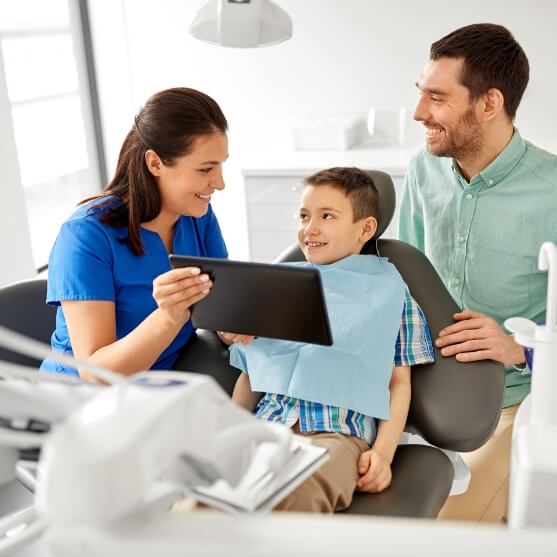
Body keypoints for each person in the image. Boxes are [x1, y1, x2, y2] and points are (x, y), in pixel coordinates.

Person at [399, 23, 557, 522]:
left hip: (512, 405)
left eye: (437, 98)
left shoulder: (553, 191)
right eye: (420, 94)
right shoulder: (422, 170)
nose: (420, 112)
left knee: (440, 528)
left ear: (488, 104)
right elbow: (400, 275)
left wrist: (518, 347)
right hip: (421, 389)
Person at [230, 167, 435, 512]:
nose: (310, 228)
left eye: (327, 216)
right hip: (268, 424)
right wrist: (229, 428)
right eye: (305, 216)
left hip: (337, 433)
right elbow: (254, 372)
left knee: (296, 495)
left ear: (365, 229)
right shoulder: (278, 287)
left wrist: (382, 454)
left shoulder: (392, 294)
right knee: (209, 493)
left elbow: (398, 383)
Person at [40, 87, 250, 380]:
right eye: (205, 169)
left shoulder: (196, 216)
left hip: (160, 388)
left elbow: (218, 309)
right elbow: (95, 374)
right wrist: (168, 317)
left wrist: (234, 328)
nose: (220, 183)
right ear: (155, 163)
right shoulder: (86, 235)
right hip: (79, 401)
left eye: (221, 165)